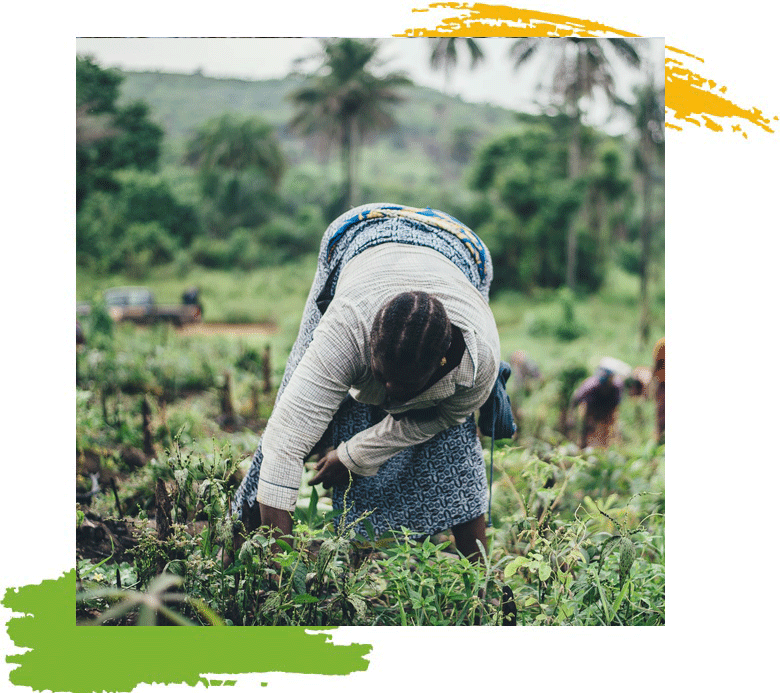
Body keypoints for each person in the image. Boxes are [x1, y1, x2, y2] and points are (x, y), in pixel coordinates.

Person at [231, 203, 503, 561]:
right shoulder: (346, 329)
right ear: (367, 346)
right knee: (291, 405)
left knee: (453, 443)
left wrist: (354, 455)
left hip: (462, 248)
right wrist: (280, 567)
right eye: (380, 378)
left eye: (402, 389)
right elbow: (286, 443)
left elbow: (437, 420)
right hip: (360, 234)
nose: (388, 396)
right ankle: (242, 540)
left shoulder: (477, 362)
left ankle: (478, 584)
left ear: (441, 365)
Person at [571, 357, 630, 449]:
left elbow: (615, 408)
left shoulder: (617, 387)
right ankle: (584, 447)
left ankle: (606, 448)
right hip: (591, 410)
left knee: (607, 433)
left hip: (607, 410)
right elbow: (577, 399)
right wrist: (571, 418)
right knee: (588, 431)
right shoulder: (590, 386)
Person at [652, 338, 665, 443]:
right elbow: (656, 366)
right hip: (663, 384)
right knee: (662, 416)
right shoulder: (662, 344)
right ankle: (660, 440)